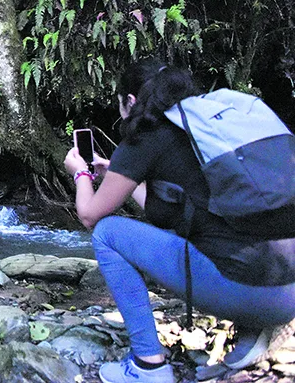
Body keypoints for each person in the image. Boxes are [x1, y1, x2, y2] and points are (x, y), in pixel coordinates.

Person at [64, 59, 295, 383]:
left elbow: (89, 214)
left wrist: (82, 174)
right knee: (229, 238)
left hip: (249, 292)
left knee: (107, 233)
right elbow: (174, 211)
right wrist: (118, 178)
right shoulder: (203, 129)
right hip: (289, 291)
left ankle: (148, 365)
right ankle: (255, 331)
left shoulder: (145, 136)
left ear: (130, 102)